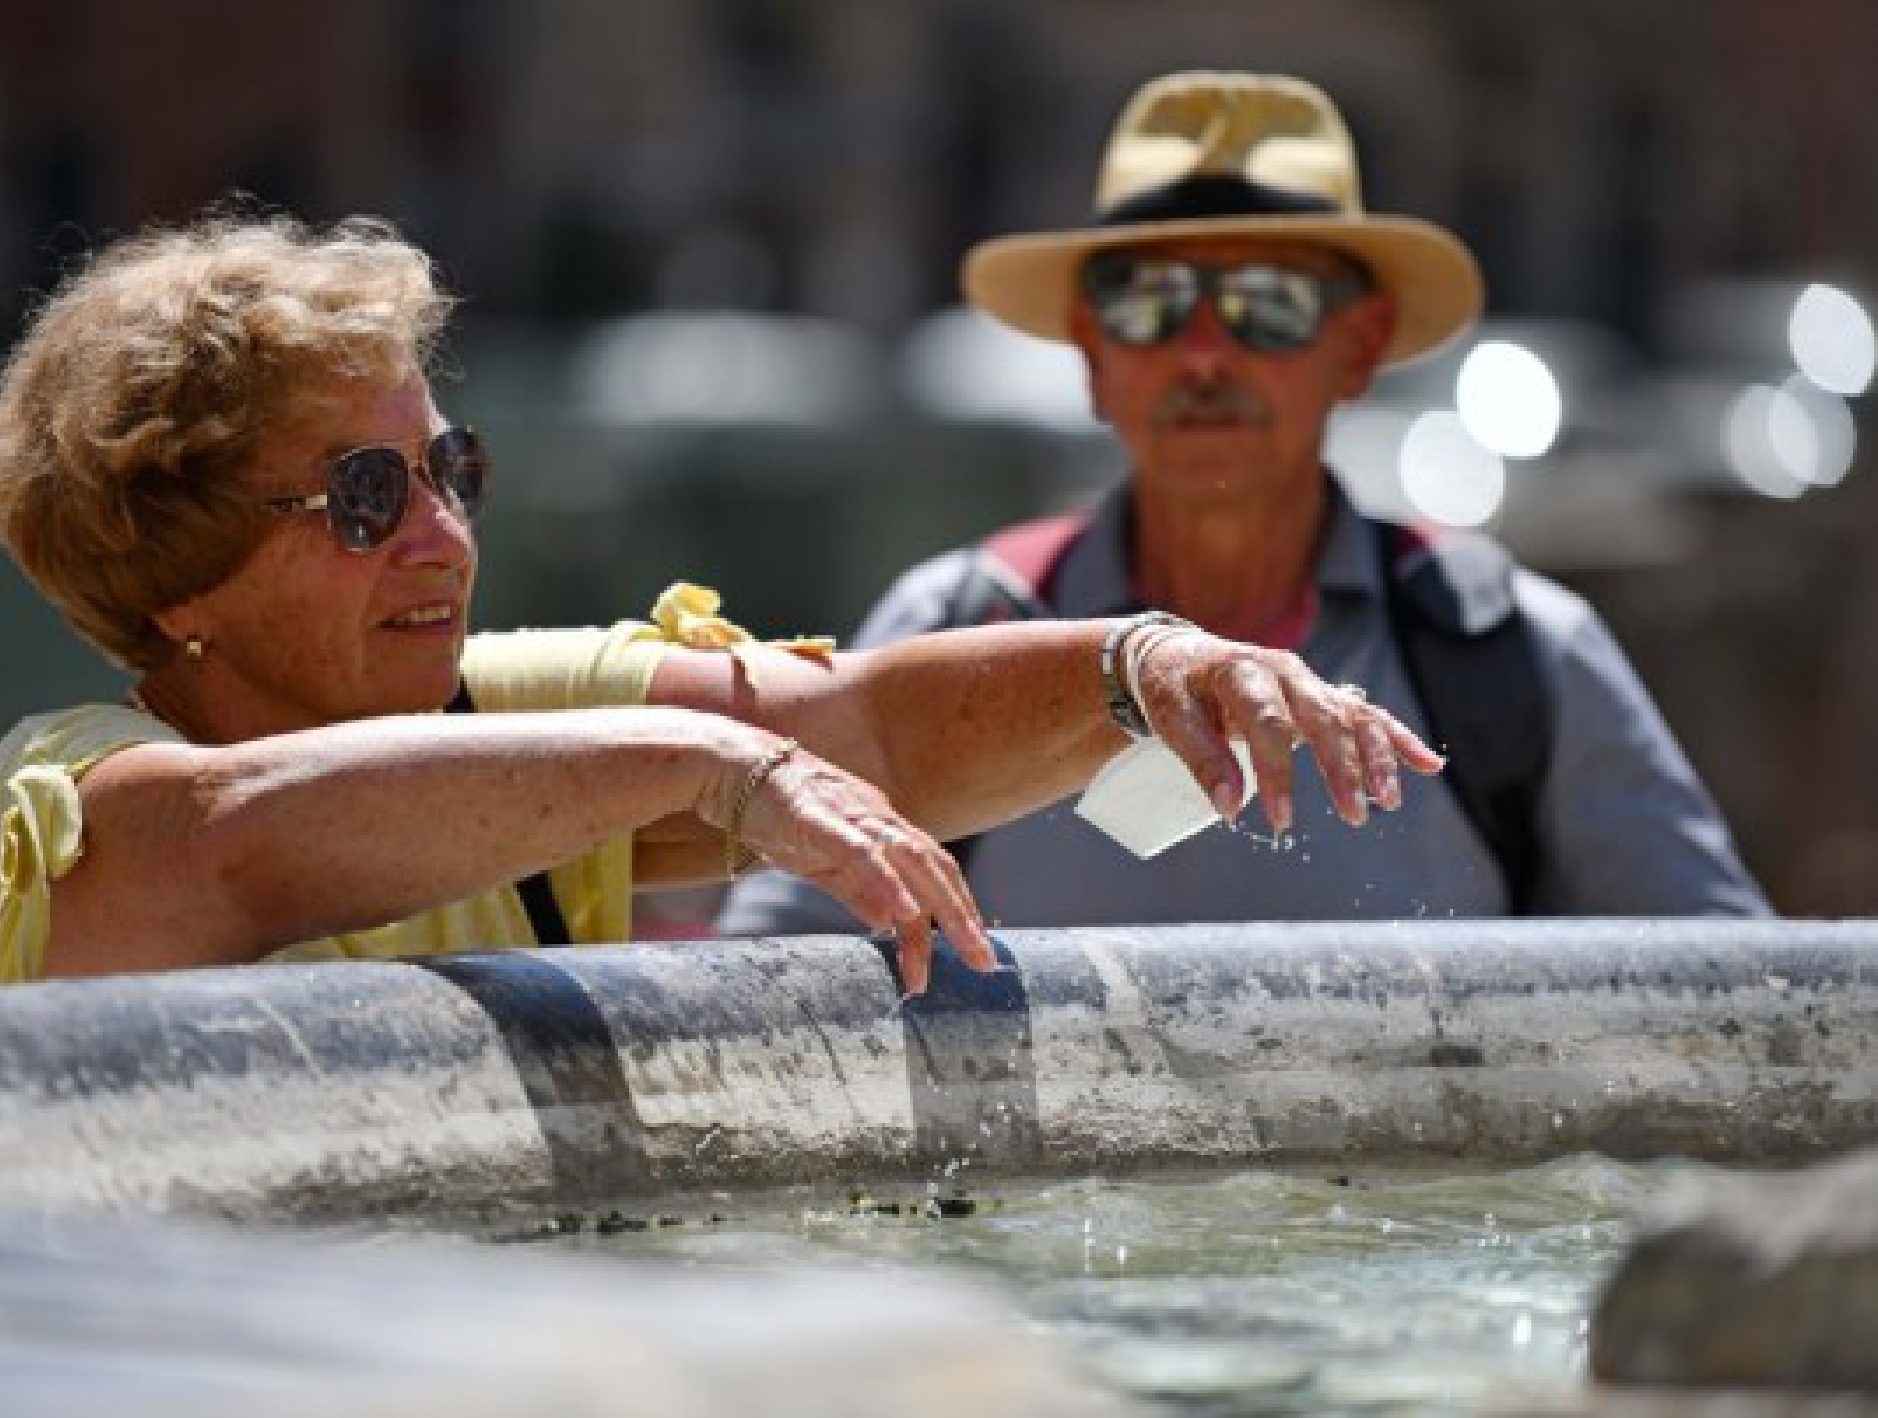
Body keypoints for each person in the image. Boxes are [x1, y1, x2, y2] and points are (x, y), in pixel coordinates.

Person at [0, 208, 1442, 995]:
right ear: (181, 561)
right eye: (364, 496)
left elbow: (870, 727)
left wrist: (1147, 662)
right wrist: (709, 762)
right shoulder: (72, 795)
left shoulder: (482, 710)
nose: (441, 535)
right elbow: (245, 850)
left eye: (448, 467)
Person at [723, 71, 1766, 937]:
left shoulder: (1512, 656)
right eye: (1150, 305)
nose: (1206, 353)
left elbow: (1735, 1018)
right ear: (1092, 357)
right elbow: (761, 1009)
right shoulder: (960, 625)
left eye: (1268, 304)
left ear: (1356, 348)